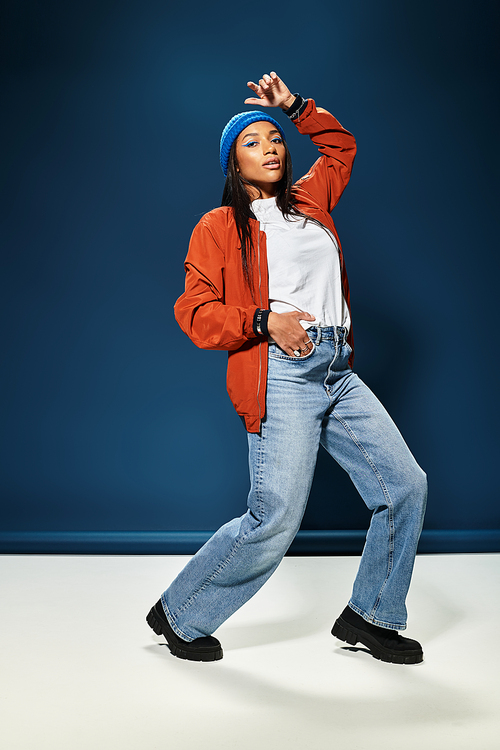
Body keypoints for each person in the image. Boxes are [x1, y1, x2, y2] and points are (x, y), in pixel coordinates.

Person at [147, 72, 427, 665]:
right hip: (280, 373)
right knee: (274, 517)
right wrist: (262, 322)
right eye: (253, 141)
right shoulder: (219, 227)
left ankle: (372, 614)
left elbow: (341, 146)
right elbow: (194, 312)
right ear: (232, 161)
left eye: (275, 137)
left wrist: (295, 106)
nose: (270, 146)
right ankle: (180, 611)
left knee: (404, 486)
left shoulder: (311, 200)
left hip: (336, 366)